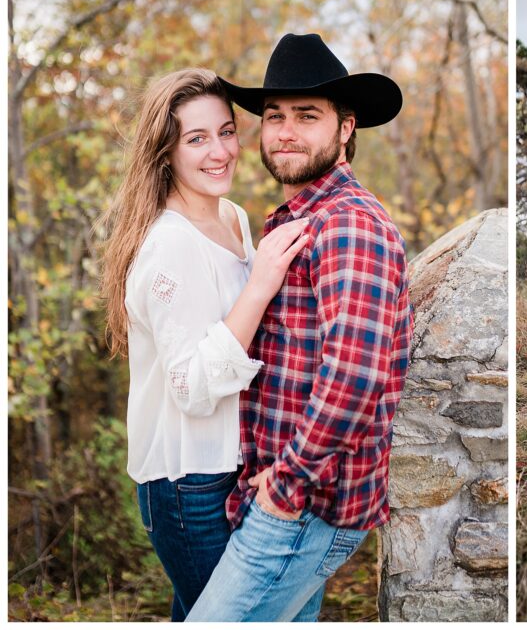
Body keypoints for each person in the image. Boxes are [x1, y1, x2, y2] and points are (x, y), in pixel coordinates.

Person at [186, 33, 412, 622]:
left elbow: (355, 378)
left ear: (345, 129)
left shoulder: (348, 224)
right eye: (273, 116)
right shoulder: (297, 221)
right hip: (287, 498)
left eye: (306, 116)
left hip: (307, 507)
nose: (285, 131)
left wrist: (287, 484)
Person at [98, 69, 308, 621]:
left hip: (235, 465)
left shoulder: (233, 218)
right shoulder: (168, 245)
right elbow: (190, 387)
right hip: (187, 481)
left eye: (226, 132)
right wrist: (261, 282)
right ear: (165, 152)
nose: (219, 152)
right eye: (196, 139)